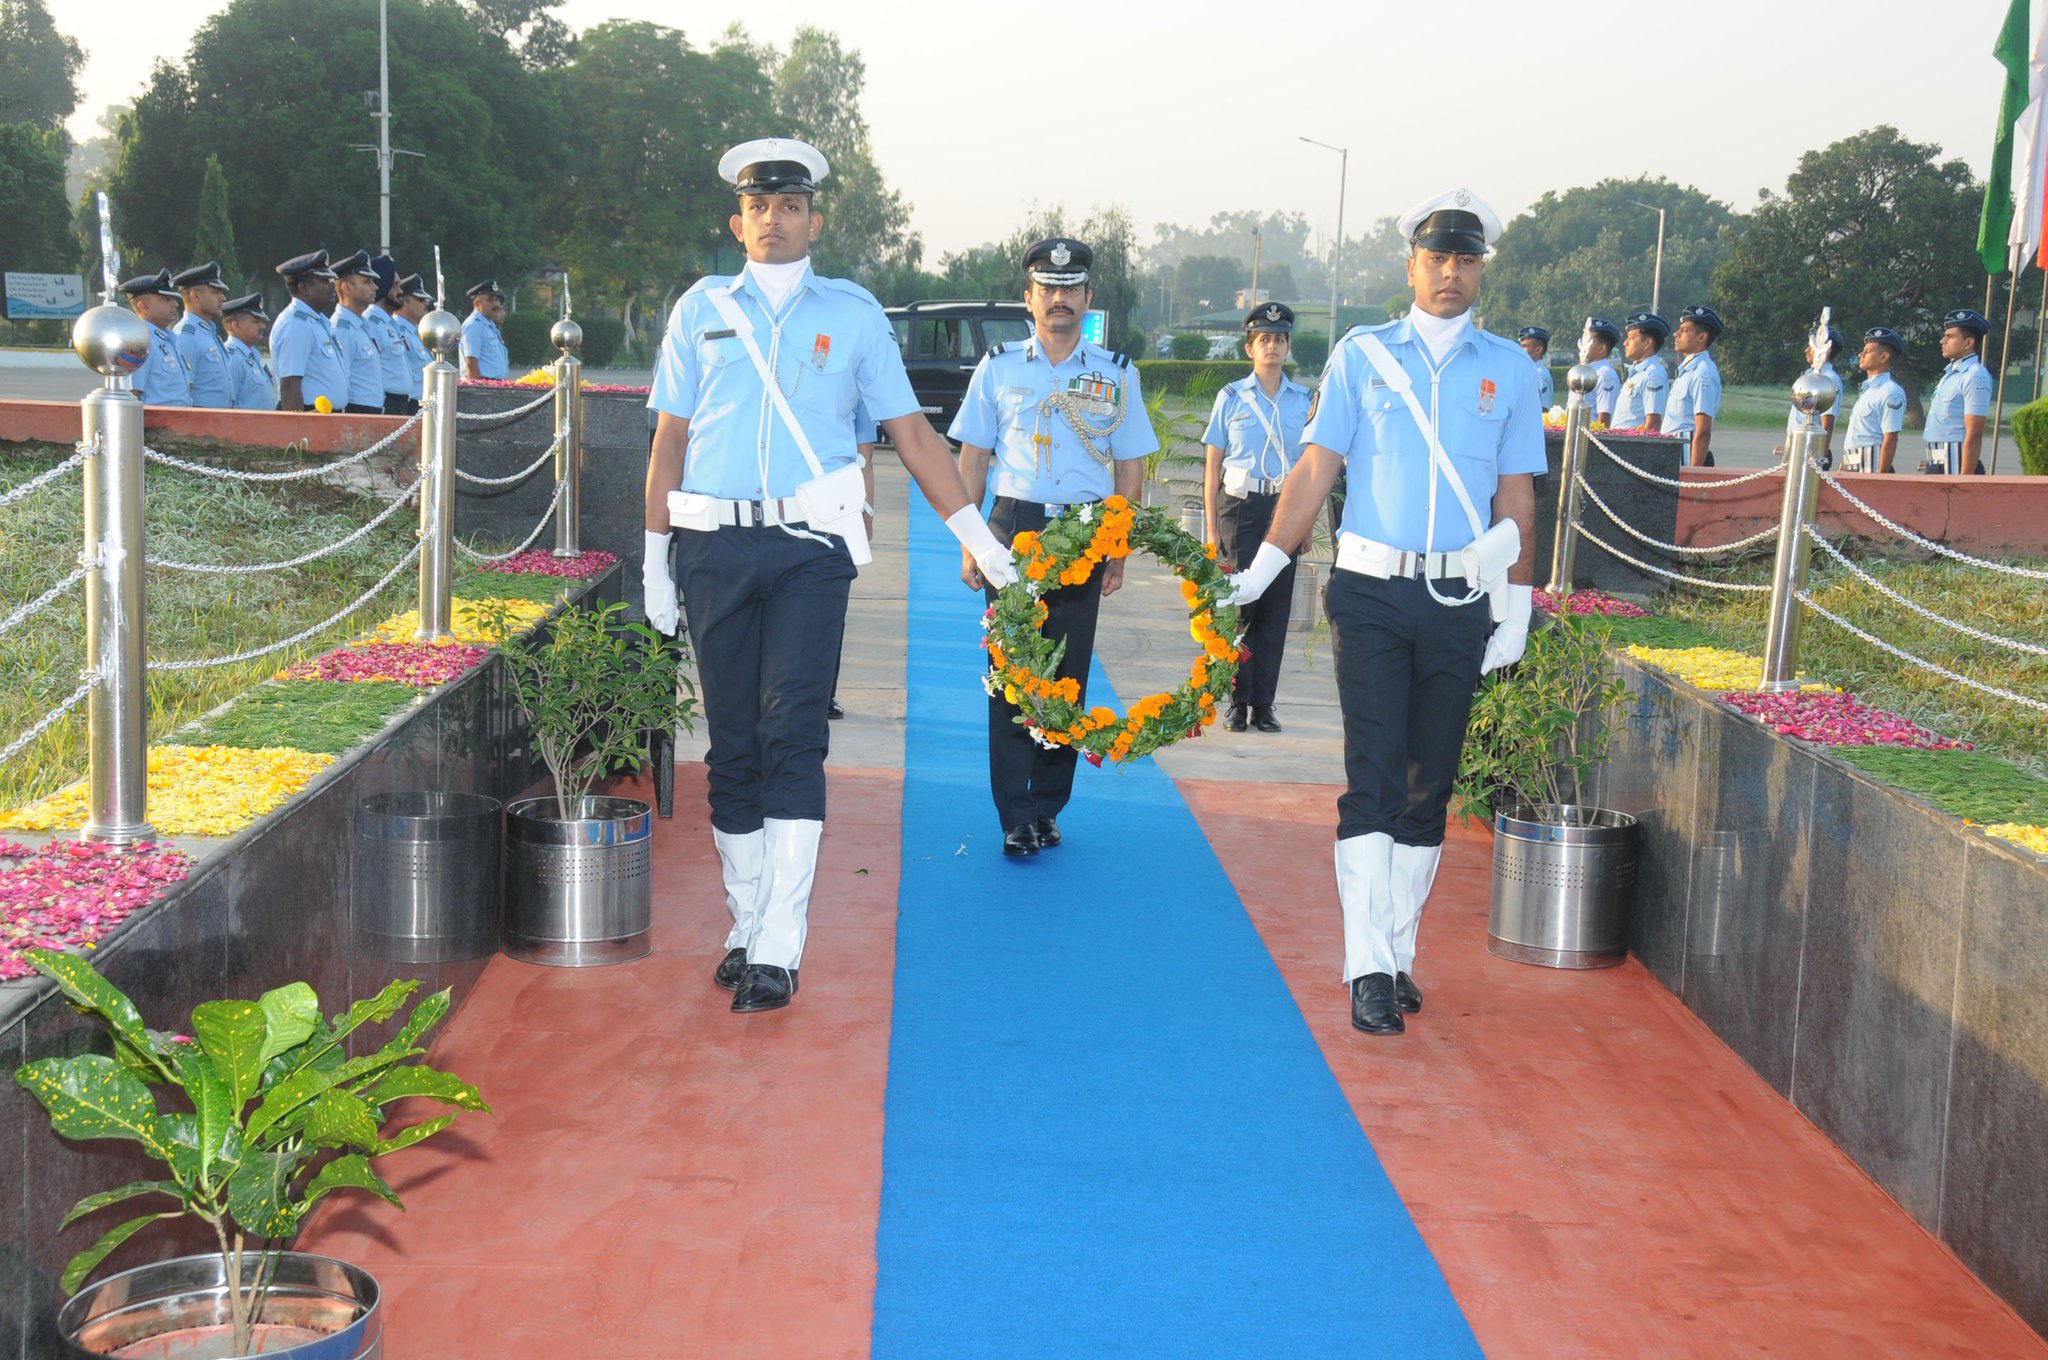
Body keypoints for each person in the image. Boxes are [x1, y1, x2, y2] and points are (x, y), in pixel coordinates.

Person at [643, 137, 1016, 1014]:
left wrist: (977, 529)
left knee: (793, 733)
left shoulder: (852, 317)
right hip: (713, 550)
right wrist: (657, 563)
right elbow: (669, 441)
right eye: (759, 207)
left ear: (815, 218)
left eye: (791, 205)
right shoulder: (698, 309)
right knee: (730, 743)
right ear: (738, 222)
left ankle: (780, 943)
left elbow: (914, 436)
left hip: (811, 550)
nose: (774, 220)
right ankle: (746, 921)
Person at [1222, 187, 1542, 1038]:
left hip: (1459, 598)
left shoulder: (1510, 369)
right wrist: (1262, 569)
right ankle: (1365, 964)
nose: (1451, 273)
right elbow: (1317, 469)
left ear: (1480, 272)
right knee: (1371, 777)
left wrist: (1518, 602)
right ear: (1411, 266)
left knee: (1427, 785)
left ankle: (1396, 951)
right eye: (1438, 258)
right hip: (1369, 593)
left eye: (1466, 260)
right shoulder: (1363, 356)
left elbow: (1518, 498)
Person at [950, 236, 1159, 859]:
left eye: (1070, 288)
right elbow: (974, 458)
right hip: (1014, 532)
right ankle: (1013, 813)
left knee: (1068, 673)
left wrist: (1117, 550)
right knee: (1011, 676)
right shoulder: (998, 367)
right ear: (1029, 298)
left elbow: (1129, 470)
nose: (1059, 298)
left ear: (1088, 298)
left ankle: (1047, 806)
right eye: (1047, 288)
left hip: (1086, 537)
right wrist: (971, 538)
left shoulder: (1116, 374)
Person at [1202, 302, 1311, 733]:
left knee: (1275, 612)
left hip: (1283, 510)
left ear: (1287, 348)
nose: (1273, 346)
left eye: (1280, 339)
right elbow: (1212, 465)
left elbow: (1311, 468)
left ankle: (1264, 705)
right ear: (1250, 347)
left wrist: (1306, 524)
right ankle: (1237, 703)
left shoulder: (1304, 400)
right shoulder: (1231, 397)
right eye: (1264, 339)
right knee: (1239, 609)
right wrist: (1212, 529)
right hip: (1240, 511)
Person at [269, 250, 346, 412]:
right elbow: (290, 386)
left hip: (325, 416)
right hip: (310, 415)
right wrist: (298, 432)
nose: (332, 286)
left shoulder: (317, 321)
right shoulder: (295, 324)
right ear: (303, 287)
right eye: (324, 280)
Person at [1925, 308, 1993, 475]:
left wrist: (1965, 481)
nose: (1943, 341)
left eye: (1950, 337)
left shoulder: (1974, 375)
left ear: (1968, 343)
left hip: (1956, 463)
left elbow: (1974, 433)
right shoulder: (1950, 375)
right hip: (1937, 461)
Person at [119, 269, 195, 407]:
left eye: (173, 299)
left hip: (178, 424)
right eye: (165, 299)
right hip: (155, 426)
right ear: (143, 306)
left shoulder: (169, 339)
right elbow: (131, 395)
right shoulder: (138, 342)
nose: (175, 304)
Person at [1777, 324, 1845, 468]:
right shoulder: (1810, 376)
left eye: (1811, 346)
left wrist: (1820, 458)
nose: (1806, 350)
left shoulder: (1828, 379)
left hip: (1811, 450)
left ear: (1827, 349)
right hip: (1796, 445)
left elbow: (1827, 422)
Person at [327, 251, 386, 415]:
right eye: (366, 282)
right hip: (356, 411)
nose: (375, 287)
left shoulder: (360, 325)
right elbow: (341, 381)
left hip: (371, 411)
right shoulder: (341, 329)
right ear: (346, 287)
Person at [1842, 327, 1908, 473]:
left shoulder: (1890, 391)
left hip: (1871, 464)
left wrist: (1881, 477)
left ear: (1884, 357)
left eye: (1868, 351)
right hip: (1853, 463)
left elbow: (1890, 438)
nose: (1861, 354)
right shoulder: (1868, 390)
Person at [1664, 304, 1724, 467]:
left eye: (1683, 330)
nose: (1676, 334)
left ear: (1701, 337)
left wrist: (1694, 475)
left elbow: (1702, 431)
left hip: (1685, 454)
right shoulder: (1688, 371)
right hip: (1671, 451)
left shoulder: (1702, 373)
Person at [170, 261, 232, 408]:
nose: (222, 298)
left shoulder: (208, 332)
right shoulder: (186, 336)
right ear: (195, 296)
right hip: (201, 424)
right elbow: (184, 389)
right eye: (215, 292)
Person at [365, 255, 416, 416]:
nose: (400, 291)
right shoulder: (371, 322)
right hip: (387, 404)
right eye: (395, 285)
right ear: (383, 286)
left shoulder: (390, 323)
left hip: (401, 404)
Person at [1612, 312, 1670, 432]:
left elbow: (1653, 422)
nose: (1625, 342)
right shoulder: (1636, 374)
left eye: (1632, 337)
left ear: (1648, 343)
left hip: (1633, 448)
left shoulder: (1653, 374)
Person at [220, 293, 278, 411]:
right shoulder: (231, 357)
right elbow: (227, 405)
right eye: (255, 321)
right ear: (236, 325)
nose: (262, 326)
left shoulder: (250, 355)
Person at [394, 274, 435, 404]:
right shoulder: (397, 331)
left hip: (425, 402)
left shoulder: (417, 331)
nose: (426, 303)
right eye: (420, 299)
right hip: (410, 402)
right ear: (404, 302)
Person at [462, 280, 511, 380]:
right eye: (490, 300)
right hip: (484, 387)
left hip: (495, 386)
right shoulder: (474, 326)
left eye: (497, 300)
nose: (496, 304)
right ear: (477, 303)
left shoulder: (489, 326)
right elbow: (471, 364)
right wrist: (478, 392)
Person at [1583, 317, 1621, 423]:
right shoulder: (1584, 370)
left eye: (1588, 341)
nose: (1583, 345)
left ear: (1601, 348)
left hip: (1590, 435)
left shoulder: (1604, 374)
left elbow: (1604, 418)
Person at [1516, 325, 1553, 409]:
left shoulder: (1541, 375)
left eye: (1524, 346)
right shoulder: (1527, 372)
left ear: (1538, 350)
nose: (1520, 350)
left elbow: (1543, 409)